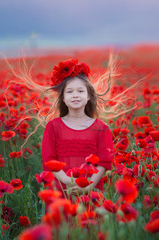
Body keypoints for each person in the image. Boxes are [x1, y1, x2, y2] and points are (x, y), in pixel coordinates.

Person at [41, 59, 114, 197]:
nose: (75, 95)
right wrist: (69, 181)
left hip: (91, 192)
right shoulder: (53, 127)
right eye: (69, 92)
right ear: (62, 98)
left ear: (88, 97)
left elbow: (104, 163)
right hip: (61, 191)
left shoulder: (102, 129)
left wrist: (88, 187)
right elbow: (49, 161)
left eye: (80, 91)